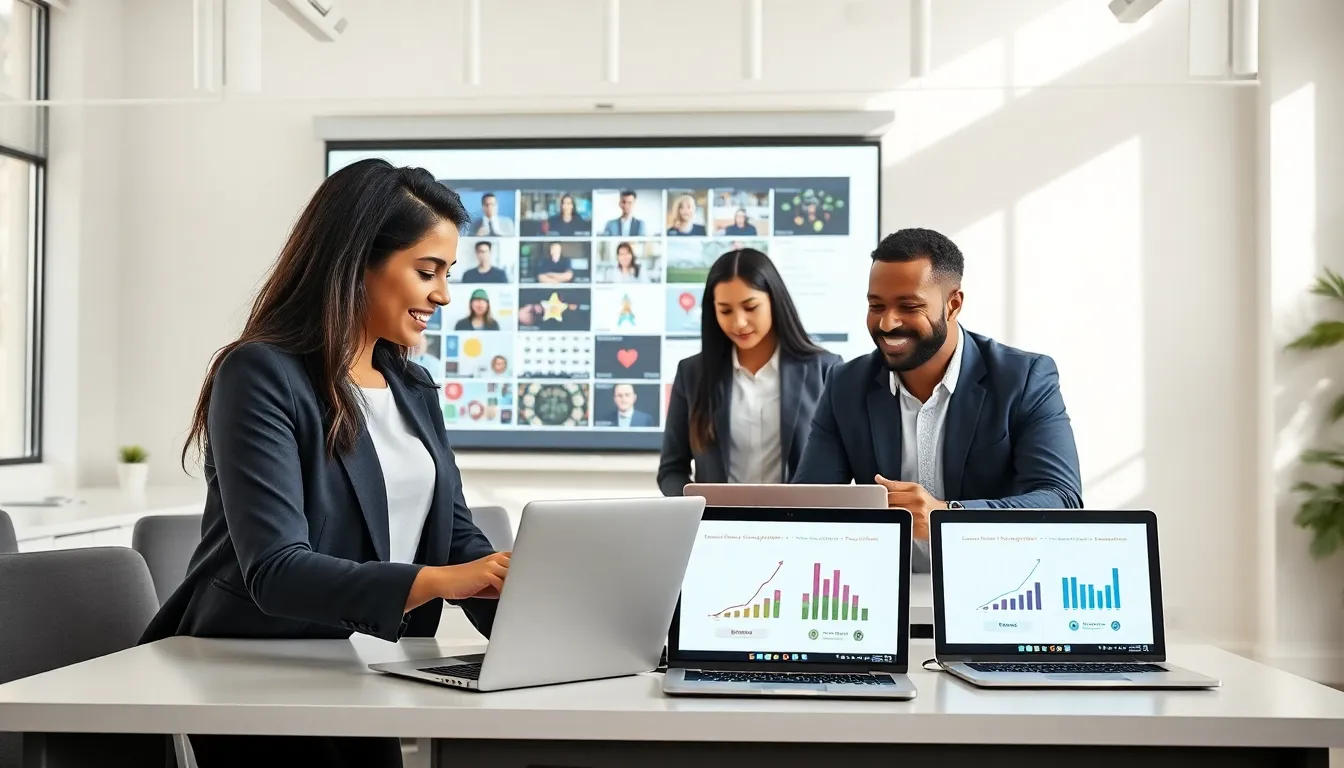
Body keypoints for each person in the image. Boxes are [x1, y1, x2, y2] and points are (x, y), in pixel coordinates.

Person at [139, 158, 511, 767]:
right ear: (357, 261)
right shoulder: (260, 374)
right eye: (428, 271)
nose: (444, 294)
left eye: (448, 272)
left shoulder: (410, 385)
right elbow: (277, 569)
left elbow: (452, 535)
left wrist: (527, 596)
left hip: (360, 666)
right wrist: (443, 582)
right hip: (257, 671)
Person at [794, 228, 1084, 571]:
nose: (887, 322)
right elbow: (809, 508)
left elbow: (1062, 500)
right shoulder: (846, 384)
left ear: (953, 304)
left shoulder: (1024, 379)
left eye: (909, 306)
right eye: (876, 305)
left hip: (997, 587)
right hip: (886, 592)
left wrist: (947, 516)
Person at [659, 248, 842, 496]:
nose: (739, 323)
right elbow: (671, 469)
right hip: (717, 530)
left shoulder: (825, 369)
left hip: (799, 528)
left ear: (773, 301)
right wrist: (698, 512)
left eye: (750, 307)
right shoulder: (692, 373)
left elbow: (840, 466)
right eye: (725, 311)